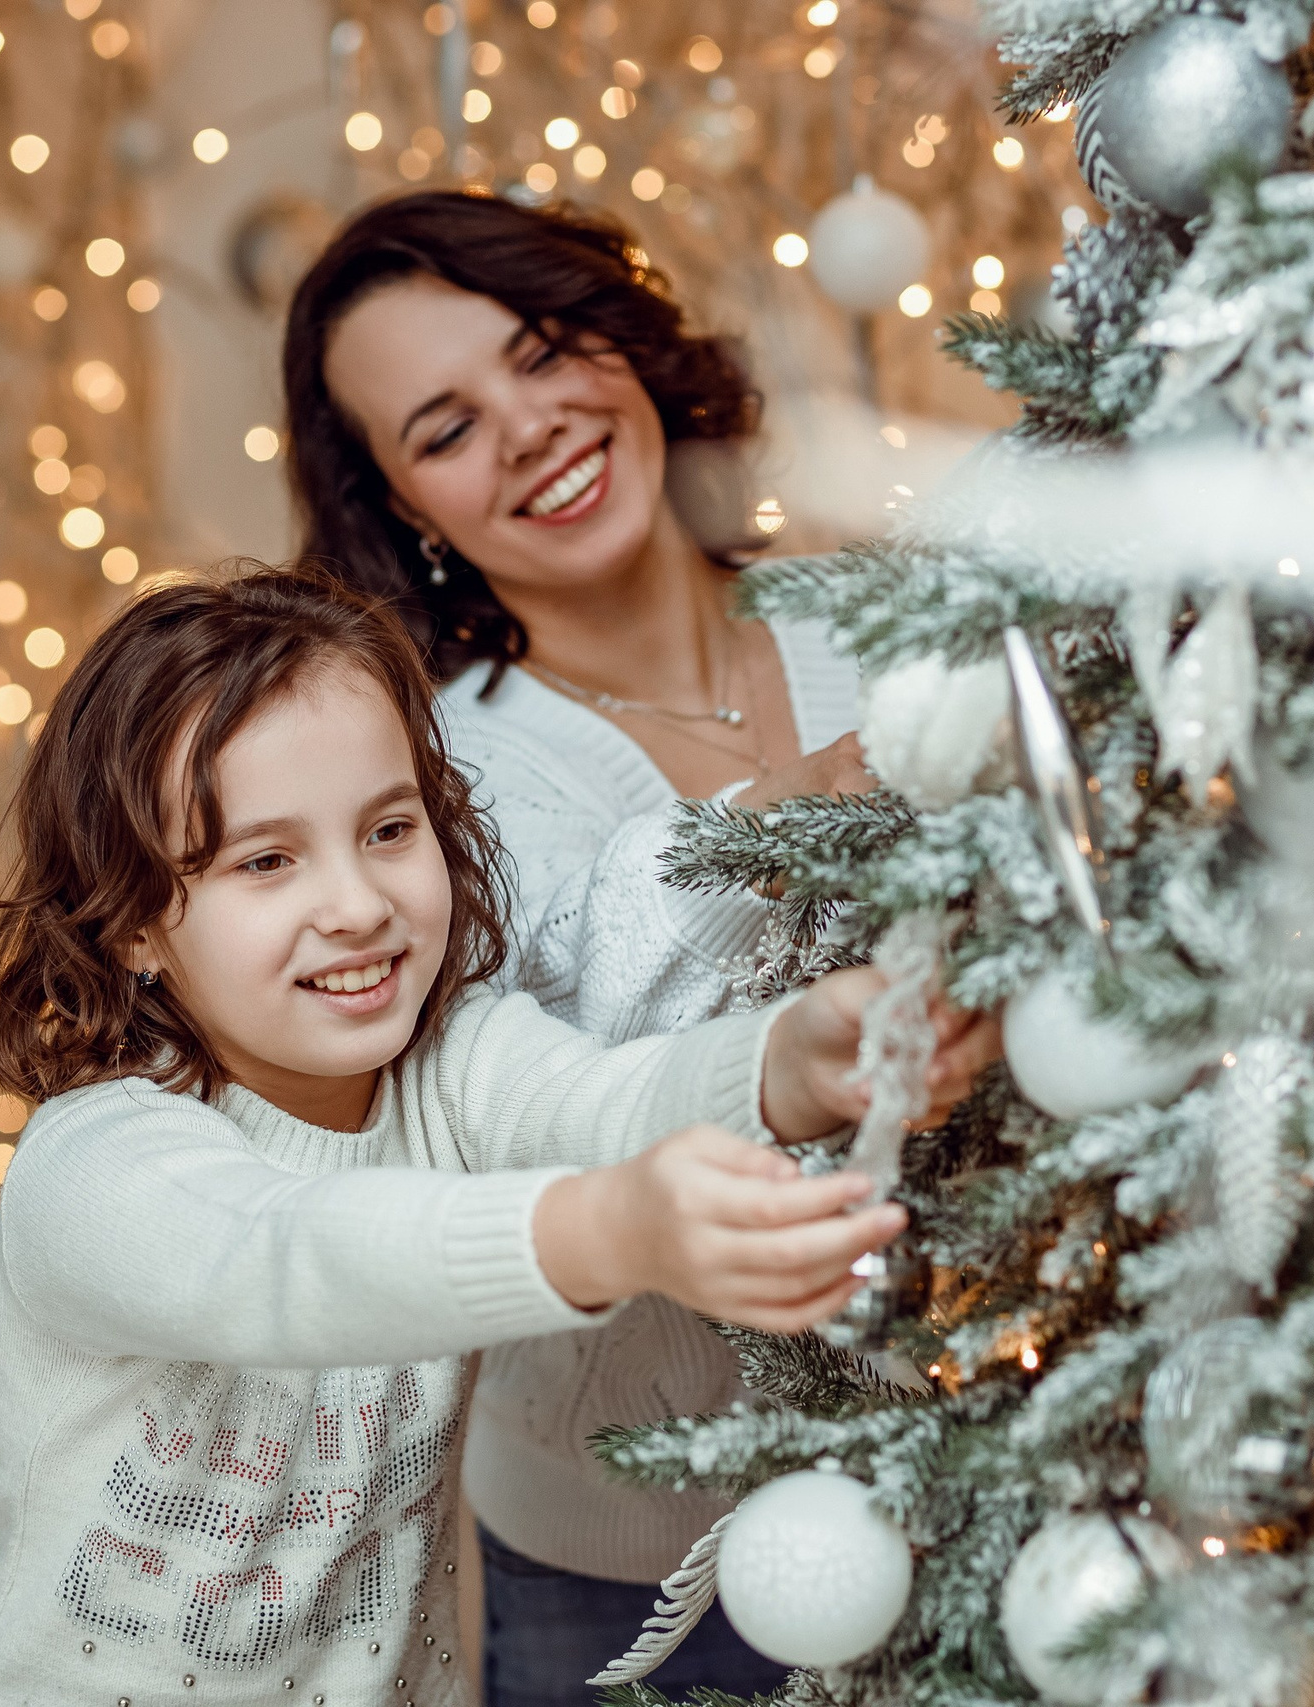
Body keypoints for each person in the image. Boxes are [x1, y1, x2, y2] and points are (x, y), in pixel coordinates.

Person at [0, 566, 993, 1702]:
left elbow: (606, 1102)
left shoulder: (452, 1061)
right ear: (133, 920)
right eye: (267, 861)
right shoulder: (93, 1165)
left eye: (388, 829)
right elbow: (291, 1256)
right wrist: (609, 1227)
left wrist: (790, 1058)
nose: (359, 904)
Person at [284, 193, 874, 1704]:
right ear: (405, 504)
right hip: (638, 1564)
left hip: (978, 1454)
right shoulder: (423, 780)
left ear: (626, 340)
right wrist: (875, 777)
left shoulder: (874, 616)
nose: (532, 426)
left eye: (546, 349)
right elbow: (589, 1028)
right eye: (445, 426)